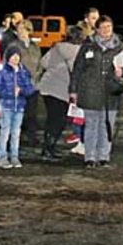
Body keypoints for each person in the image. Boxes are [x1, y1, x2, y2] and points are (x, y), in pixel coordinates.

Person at [69, 15, 123, 168]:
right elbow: (77, 69)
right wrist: (73, 89)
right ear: (97, 29)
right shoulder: (88, 46)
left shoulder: (121, 47)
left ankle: (103, 156)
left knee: (107, 126)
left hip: (111, 93)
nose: (106, 30)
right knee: (91, 125)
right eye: (103, 27)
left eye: (109, 27)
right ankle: (90, 157)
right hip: (90, 92)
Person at [38, 25, 83, 161]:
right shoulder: (78, 50)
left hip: (47, 86)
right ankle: (48, 148)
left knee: (52, 119)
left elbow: (43, 63)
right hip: (61, 89)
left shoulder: (57, 47)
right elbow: (78, 70)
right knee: (59, 120)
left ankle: (49, 146)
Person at [0, 46, 36, 168]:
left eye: (18, 55)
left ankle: (14, 156)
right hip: (7, 106)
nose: (16, 57)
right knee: (5, 132)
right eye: (13, 55)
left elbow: (30, 88)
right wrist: (10, 92)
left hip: (20, 107)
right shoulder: (3, 72)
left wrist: (21, 91)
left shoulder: (24, 71)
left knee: (16, 133)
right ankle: (2, 157)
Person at [14, 19, 42, 146]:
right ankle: (15, 137)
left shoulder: (35, 47)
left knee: (32, 113)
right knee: (17, 113)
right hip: (18, 85)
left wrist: (36, 76)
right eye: (19, 29)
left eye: (23, 29)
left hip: (33, 85)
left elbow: (40, 64)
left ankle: (32, 137)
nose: (20, 32)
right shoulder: (13, 46)